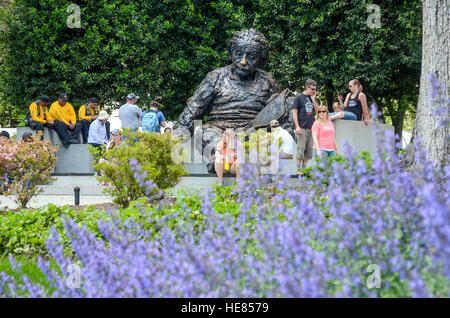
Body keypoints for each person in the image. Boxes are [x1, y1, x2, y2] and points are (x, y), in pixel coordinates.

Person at [292, 79, 320, 174]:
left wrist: (313, 99)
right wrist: (297, 127)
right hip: (302, 128)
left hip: (311, 129)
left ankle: (304, 169)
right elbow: (294, 112)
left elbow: (318, 111)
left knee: (309, 151)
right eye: (312, 89)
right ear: (307, 87)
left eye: (315, 89)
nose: (314, 91)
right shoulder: (299, 97)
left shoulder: (312, 98)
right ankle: (298, 169)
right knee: (301, 149)